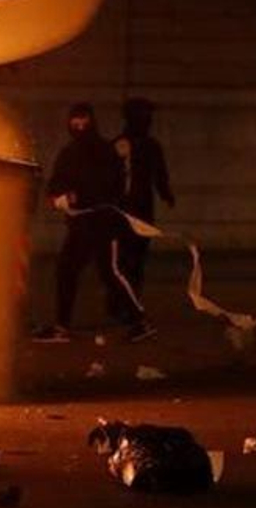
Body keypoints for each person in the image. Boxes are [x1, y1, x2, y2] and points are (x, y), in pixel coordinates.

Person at [32, 102, 155, 344]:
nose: (79, 126)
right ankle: (62, 327)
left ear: (92, 122)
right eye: (74, 122)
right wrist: (55, 198)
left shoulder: (104, 152)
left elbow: (110, 186)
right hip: (79, 226)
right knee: (67, 271)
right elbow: (56, 181)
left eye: (83, 122)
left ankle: (140, 322)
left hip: (103, 225)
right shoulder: (68, 153)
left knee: (110, 273)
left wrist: (78, 196)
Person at [110, 97, 175, 303]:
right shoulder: (120, 144)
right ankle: (122, 298)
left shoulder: (151, 146)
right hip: (122, 210)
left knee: (136, 258)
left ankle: (131, 298)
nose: (148, 121)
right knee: (123, 259)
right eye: (144, 116)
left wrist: (165, 193)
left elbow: (159, 174)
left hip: (142, 209)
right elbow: (109, 176)